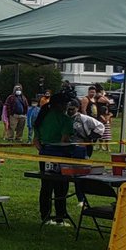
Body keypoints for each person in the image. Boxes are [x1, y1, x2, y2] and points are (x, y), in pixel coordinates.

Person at [34, 89, 80, 226]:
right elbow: (64, 140)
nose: (67, 106)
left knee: (46, 186)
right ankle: (60, 217)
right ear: (60, 105)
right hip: (61, 157)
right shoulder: (65, 119)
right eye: (66, 104)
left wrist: (44, 149)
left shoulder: (42, 117)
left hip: (44, 155)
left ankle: (45, 215)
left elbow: (36, 140)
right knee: (61, 186)